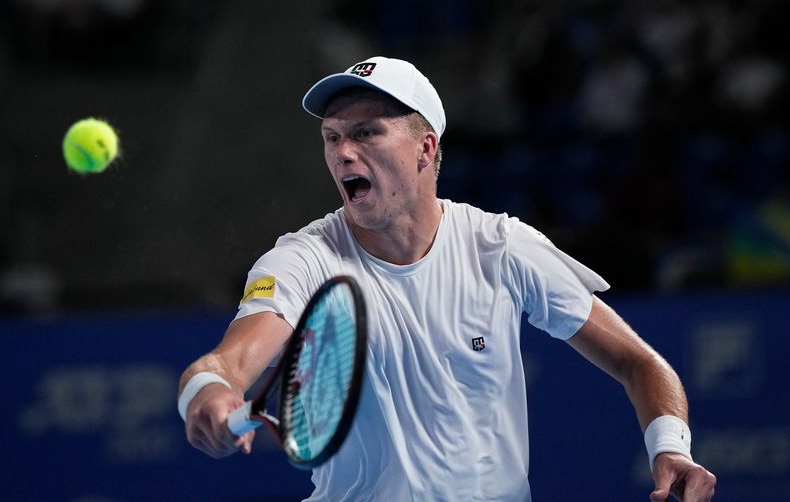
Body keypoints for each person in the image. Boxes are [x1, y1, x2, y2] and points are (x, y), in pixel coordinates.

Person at [177, 56, 717, 501]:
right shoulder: (302, 260)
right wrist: (208, 394)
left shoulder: (502, 247)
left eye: (366, 133)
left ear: (425, 148)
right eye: (332, 137)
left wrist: (671, 448)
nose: (343, 152)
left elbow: (639, 361)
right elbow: (225, 364)